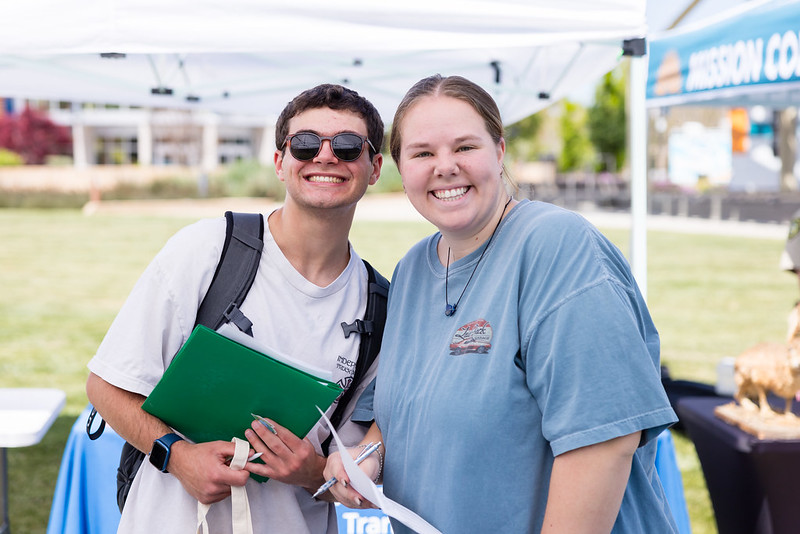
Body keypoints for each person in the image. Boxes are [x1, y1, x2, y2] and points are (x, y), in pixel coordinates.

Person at [324, 74, 680, 533]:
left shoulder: (557, 247)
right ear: (399, 166)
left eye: (465, 147)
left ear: (499, 150)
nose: (445, 166)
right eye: (423, 153)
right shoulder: (413, 269)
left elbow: (604, 444)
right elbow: (395, 416)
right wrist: (366, 457)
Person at [86, 83, 384, 533]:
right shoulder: (206, 249)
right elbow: (106, 386)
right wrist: (177, 455)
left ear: (374, 167)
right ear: (281, 162)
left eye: (347, 145)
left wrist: (309, 470)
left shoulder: (379, 307)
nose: (325, 157)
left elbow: (351, 475)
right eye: (305, 144)